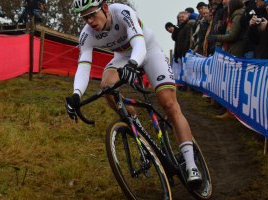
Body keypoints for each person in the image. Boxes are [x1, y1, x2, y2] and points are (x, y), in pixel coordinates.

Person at [65, 0, 202, 185]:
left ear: (105, 7)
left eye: (92, 14)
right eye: (84, 17)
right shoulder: (86, 34)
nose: (89, 21)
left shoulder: (122, 12)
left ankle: (191, 164)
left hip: (148, 50)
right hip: (122, 57)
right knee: (106, 86)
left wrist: (134, 64)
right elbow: (83, 65)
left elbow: (139, 43)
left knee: (168, 103)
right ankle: (134, 122)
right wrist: (76, 94)